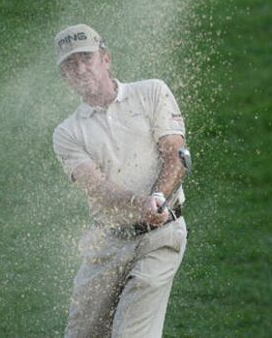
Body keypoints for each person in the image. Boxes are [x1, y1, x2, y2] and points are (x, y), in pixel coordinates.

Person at [53, 24, 188, 338]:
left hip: (161, 235)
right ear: (64, 76)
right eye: (70, 64)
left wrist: (157, 196)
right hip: (108, 242)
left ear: (106, 59)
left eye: (86, 58)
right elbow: (96, 187)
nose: (80, 68)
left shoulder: (151, 91)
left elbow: (175, 154)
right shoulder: (68, 132)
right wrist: (140, 203)